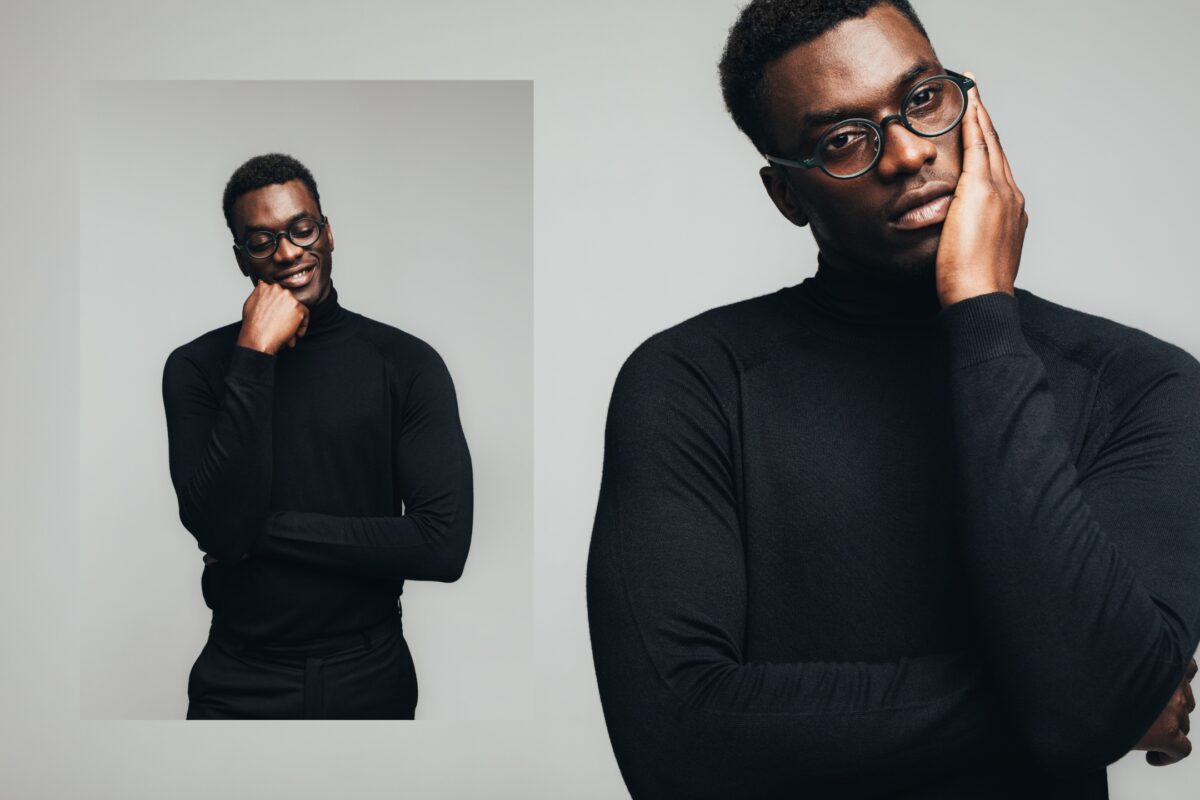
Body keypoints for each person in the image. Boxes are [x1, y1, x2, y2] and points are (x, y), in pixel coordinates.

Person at [585, 1, 1200, 797]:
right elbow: (674, 743)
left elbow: (1096, 695)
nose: (909, 154)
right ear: (787, 196)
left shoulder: (1140, 383)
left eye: (923, 99)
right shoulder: (694, 383)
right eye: (842, 140)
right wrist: (1097, 697)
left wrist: (981, 311)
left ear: (968, 103)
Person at [161, 153, 473, 719]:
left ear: (327, 234)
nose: (286, 253)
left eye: (301, 229)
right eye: (262, 241)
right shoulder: (197, 368)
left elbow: (441, 545)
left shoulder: (406, 364)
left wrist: (260, 532)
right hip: (239, 678)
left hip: (370, 673)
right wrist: (254, 354)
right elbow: (217, 526)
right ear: (241, 258)